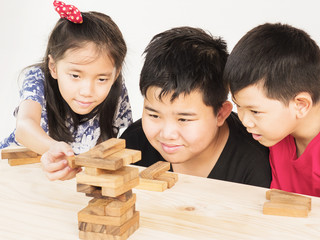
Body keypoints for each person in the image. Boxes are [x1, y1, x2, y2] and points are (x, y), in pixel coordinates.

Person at [121, 26, 271, 188]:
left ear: (220, 114)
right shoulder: (133, 146)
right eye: (154, 115)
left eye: (184, 119)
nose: (167, 134)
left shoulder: (255, 164)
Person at [0, 1, 132, 180]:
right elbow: (24, 127)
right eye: (75, 76)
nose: (87, 91)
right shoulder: (37, 79)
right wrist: (52, 148)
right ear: (53, 67)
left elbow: (106, 143)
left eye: (101, 79)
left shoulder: (116, 89)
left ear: (115, 75)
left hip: (62, 184)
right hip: (13, 174)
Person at [223, 23, 320, 197]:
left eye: (255, 111)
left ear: (301, 105)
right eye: (238, 105)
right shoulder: (277, 136)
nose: (244, 120)